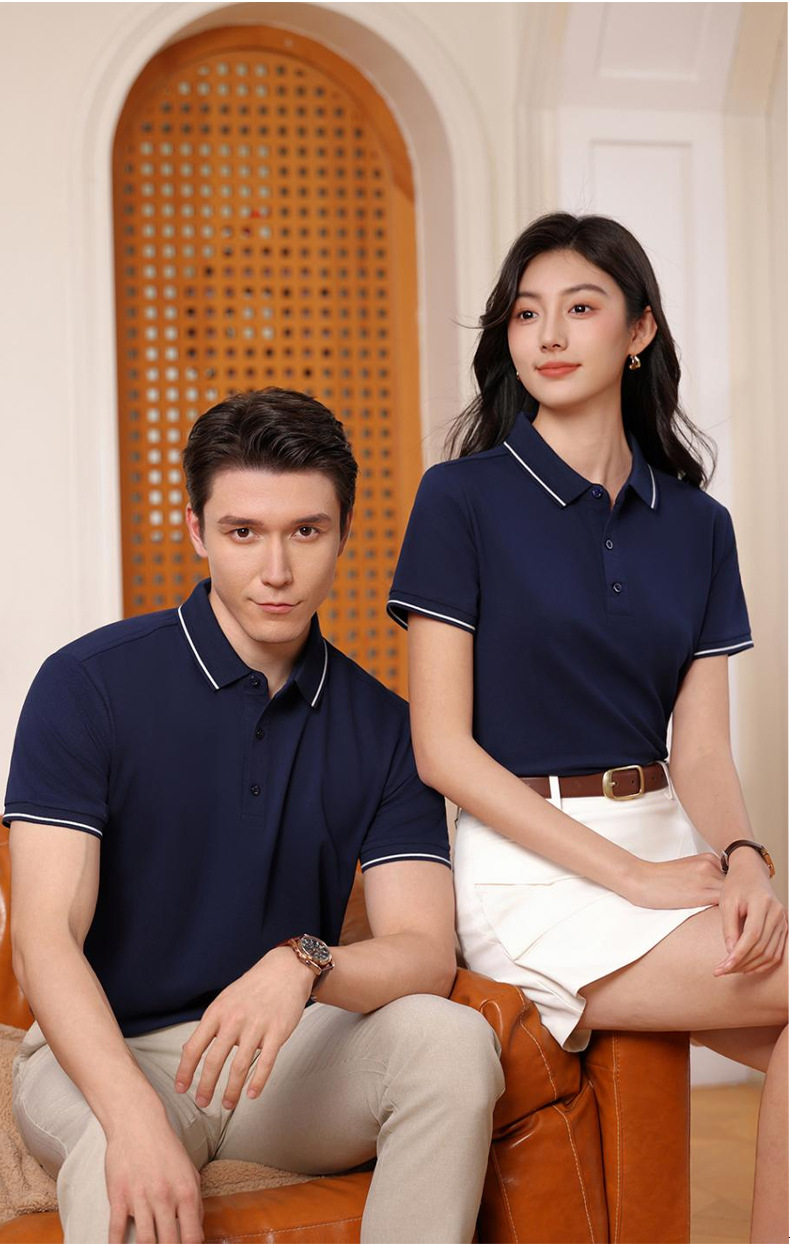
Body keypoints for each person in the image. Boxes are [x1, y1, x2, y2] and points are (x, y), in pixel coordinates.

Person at [4, 388, 504, 1244]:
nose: (277, 570)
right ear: (197, 531)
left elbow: (423, 950)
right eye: (243, 532)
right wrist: (134, 1119)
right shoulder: (85, 686)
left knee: (451, 1043)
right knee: (117, 1160)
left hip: (283, 1057)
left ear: (344, 532)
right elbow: (44, 937)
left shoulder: (388, 728)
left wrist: (302, 963)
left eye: (306, 531)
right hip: (107, 1054)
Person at [387, 213, 787, 1244]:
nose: (549, 335)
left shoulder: (697, 524)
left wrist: (745, 858)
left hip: (669, 850)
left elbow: (700, 748)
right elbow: (442, 749)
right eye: (526, 314)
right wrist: (631, 879)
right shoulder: (460, 499)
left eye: (580, 307)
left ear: (639, 329)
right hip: (530, 874)